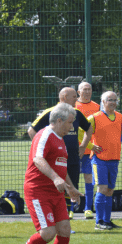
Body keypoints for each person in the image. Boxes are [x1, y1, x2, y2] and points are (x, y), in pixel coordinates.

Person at [9, 103, 83, 244]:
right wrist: (55, 178)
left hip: (55, 192)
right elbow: (38, 159)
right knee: (48, 232)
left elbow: (61, 169)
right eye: (70, 123)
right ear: (59, 120)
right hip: (38, 191)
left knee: (65, 229)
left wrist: (71, 188)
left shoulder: (60, 138)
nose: (72, 127)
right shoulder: (44, 135)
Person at [29, 87, 92, 219]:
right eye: (74, 96)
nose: (77, 98)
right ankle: (56, 217)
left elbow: (89, 128)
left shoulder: (76, 113)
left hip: (73, 157)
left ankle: (68, 215)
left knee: (71, 186)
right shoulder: (52, 113)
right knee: (57, 187)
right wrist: (41, 147)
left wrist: (83, 147)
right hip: (54, 160)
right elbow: (32, 130)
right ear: (64, 97)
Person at [87, 91, 122, 230]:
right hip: (99, 159)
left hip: (114, 159)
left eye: (115, 99)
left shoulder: (120, 117)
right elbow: (80, 132)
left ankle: (107, 221)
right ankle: (99, 222)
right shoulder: (94, 117)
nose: (113, 102)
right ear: (103, 102)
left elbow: (120, 133)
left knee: (109, 191)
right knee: (102, 189)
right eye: (110, 100)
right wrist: (91, 146)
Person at [75, 81, 100, 219]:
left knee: (89, 179)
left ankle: (88, 208)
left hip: (89, 151)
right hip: (74, 149)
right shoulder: (73, 106)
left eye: (89, 89)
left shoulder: (97, 106)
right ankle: (71, 208)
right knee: (71, 180)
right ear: (78, 92)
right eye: (84, 89)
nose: (87, 91)